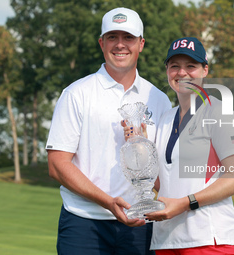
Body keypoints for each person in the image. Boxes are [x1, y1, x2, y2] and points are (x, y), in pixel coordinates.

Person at [45, 7, 171, 255]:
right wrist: (108, 202)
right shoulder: (76, 94)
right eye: (112, 37)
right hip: (84, 223)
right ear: (102, 43)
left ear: (141, 44)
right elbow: (57, 164)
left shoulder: (159, 99)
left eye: (128, 38)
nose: (120, 45)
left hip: (141, 224)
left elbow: (164, 173)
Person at [124, 37, 234, 254]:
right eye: (175, 66)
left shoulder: (219, 112)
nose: (182, 73)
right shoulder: (164, 119)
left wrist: (184, 203)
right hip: (167, 240)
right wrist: (138, 147)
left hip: (210, 239)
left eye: (191, 66)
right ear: (167, 71)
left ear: (205, 70)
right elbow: (163, 183)